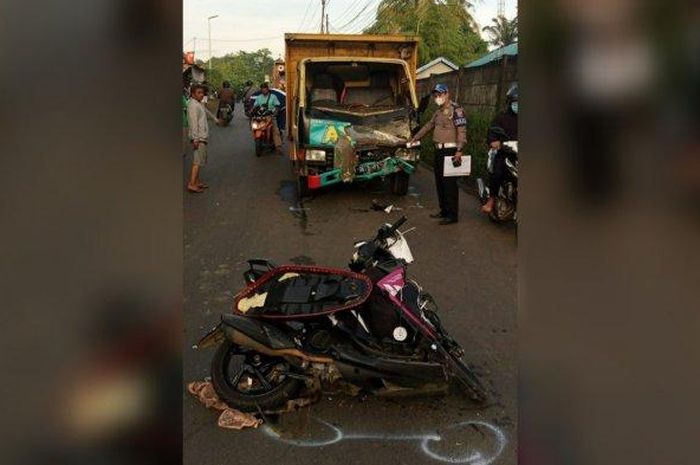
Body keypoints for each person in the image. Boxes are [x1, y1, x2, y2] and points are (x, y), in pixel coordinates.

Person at [410, 83, 467, 225]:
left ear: (447, 94)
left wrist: (459, 150)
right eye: (435, 95)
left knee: (450, 184)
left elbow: (461, 131)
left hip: (451, 151)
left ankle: (452, 215)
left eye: (440, 94)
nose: (437, 97)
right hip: (438, 150)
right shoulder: (438, 112)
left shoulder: (457, 110)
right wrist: (415, 138)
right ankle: (444, 210)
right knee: (440, 183)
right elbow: (428, 126)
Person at [481, 126, 518, 214]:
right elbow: (492, 132)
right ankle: (491, 201)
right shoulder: (502, 118)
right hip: (505, 154)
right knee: (497, 172)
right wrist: (495, 142)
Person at [186, 84, 213, 193]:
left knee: (199, 160)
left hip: (202, 137)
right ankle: (192, 184)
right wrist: (195, 138)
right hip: (199, 138)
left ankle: (196, 181)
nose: (201, 95)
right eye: (198, 93)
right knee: (197, 162)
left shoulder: (198, 104)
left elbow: (207, 113)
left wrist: (216, 120)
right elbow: (193, 123)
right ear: (193, 94)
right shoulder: (193, 105)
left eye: (202, 93)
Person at [252, 82, 282, 152]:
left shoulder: (273, 97)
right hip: (260, 117)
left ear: (268, 89)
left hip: (270, 116)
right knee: (254, 126)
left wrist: (275, 113)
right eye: (262, 89)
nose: (263, 90)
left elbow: (277, 106)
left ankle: (278, 147)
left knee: (275, 130)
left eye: (265, 89)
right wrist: (251, 111)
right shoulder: (259, 97)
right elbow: (255, 106)